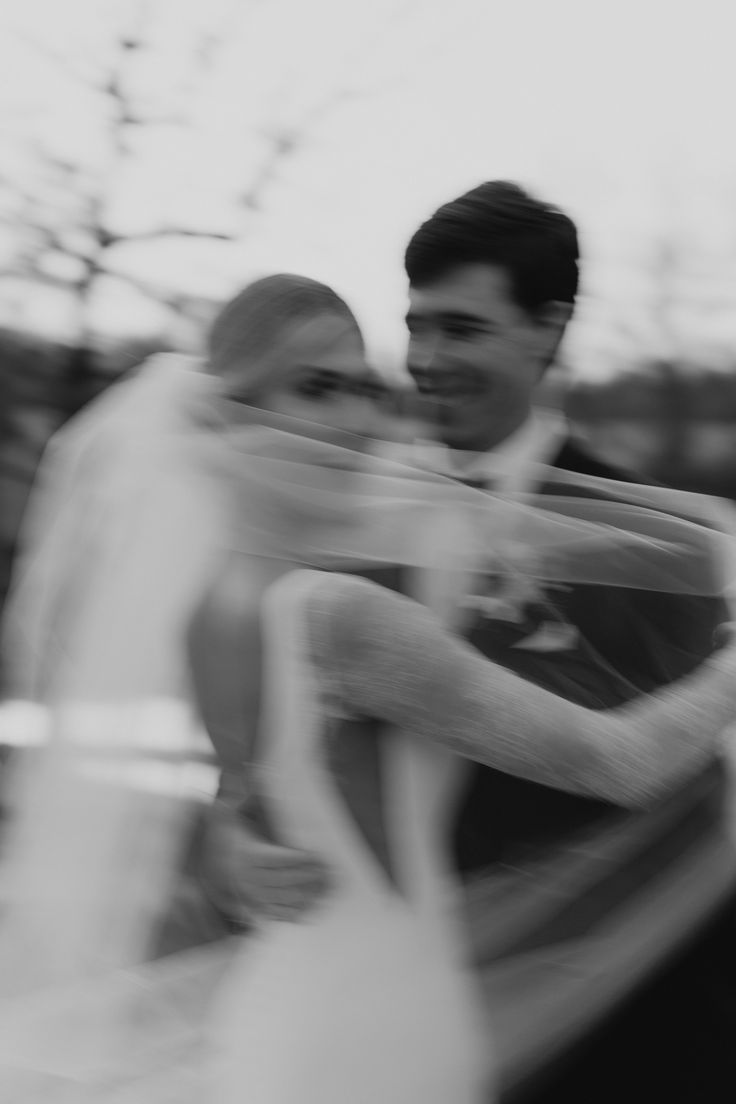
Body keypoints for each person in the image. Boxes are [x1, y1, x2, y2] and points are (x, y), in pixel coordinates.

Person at [211, 185, 736, 1102]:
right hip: (373, 1004)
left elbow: (691, 810)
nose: (424, 360)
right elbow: (254, 737)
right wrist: (231, 838)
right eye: (415, 327)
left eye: (462, 329)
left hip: (603, 1025)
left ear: (549, 327)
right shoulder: (340, 516)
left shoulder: (660, 553)